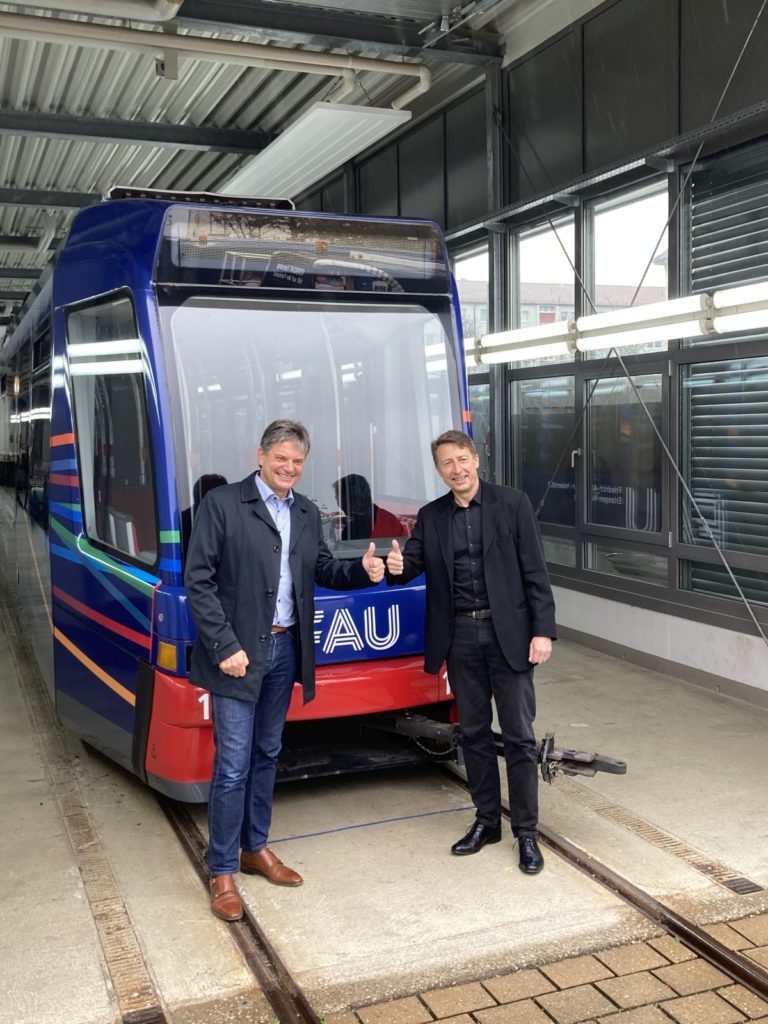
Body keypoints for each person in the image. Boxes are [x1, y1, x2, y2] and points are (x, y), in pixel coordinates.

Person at [184, 420, 385, 921]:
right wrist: (224, 644)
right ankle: (223, 869)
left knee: (268, 752)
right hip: (237, 657)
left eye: (297, 462)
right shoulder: (223, 505)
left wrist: (365, 570)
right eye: (281, 459)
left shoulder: (305, 511)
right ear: (261, 456)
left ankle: (255, 847)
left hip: (283, 653)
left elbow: (321, 570)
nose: (289, 469)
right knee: (233, 764)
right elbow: (199, 582)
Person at [386, 429, 556, 874]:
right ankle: (486, 821)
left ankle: (526, 833)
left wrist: (543, 631)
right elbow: (412, 565)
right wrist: (396, 565)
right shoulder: (432, 516)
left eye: (462, 459)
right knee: (475, 734)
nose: (457, 469)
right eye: (447, 463)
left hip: (511, 637)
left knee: (519, 736)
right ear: (439, 470)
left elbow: (535, 572)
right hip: (460, 636)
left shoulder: (512, 504)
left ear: (476, 459)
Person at [332, 473, 405, 540]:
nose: (338, 504)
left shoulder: (352, 530)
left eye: (338, 498)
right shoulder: (390, 519)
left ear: (349, 499)